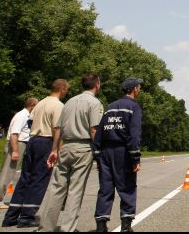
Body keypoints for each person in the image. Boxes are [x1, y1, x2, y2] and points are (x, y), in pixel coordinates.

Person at [38, 73, 104, 232]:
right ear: (97, 85)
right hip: (83, 147)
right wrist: (99, 152)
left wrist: (55, 149)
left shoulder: (69, 102)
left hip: (65, 146)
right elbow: (94, 130)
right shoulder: (95, 103)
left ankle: (45, 227)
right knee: (76, 190)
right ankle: (68, 228)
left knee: (56, 188)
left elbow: (58, 128)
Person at [2, 79, 70, 228]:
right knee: (39, 179)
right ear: (62, 89)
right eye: (67, 89)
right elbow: (57, 129)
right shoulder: (58, 105)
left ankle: (11, 215)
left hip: (32, 140)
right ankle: (27, 216)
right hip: (46, 141)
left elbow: (30, 122)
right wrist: (55, 149)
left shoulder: (40, 103)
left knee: (25, 178)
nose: (67, 92)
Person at [93, 78, 143, 233]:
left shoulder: (110, 107)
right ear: (134, 89)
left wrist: (97, 154)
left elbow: (100, 131)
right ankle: (126, 227)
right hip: (123, 152)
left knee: (105, 189)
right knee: (127, 188)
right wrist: (135, 157)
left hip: (106, 151)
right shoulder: (134, 107)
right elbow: (134, 135)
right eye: (139, 87)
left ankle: (101, 226)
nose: (140, 89)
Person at [0, 98, 38, 209]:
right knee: (7, 173)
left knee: (9, 173)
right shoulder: (21, 116)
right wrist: (15, 150)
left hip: (22, 143)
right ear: (32, 105)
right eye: (36, 106)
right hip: (17, 143)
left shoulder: (27, 116)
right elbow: (14, 134)